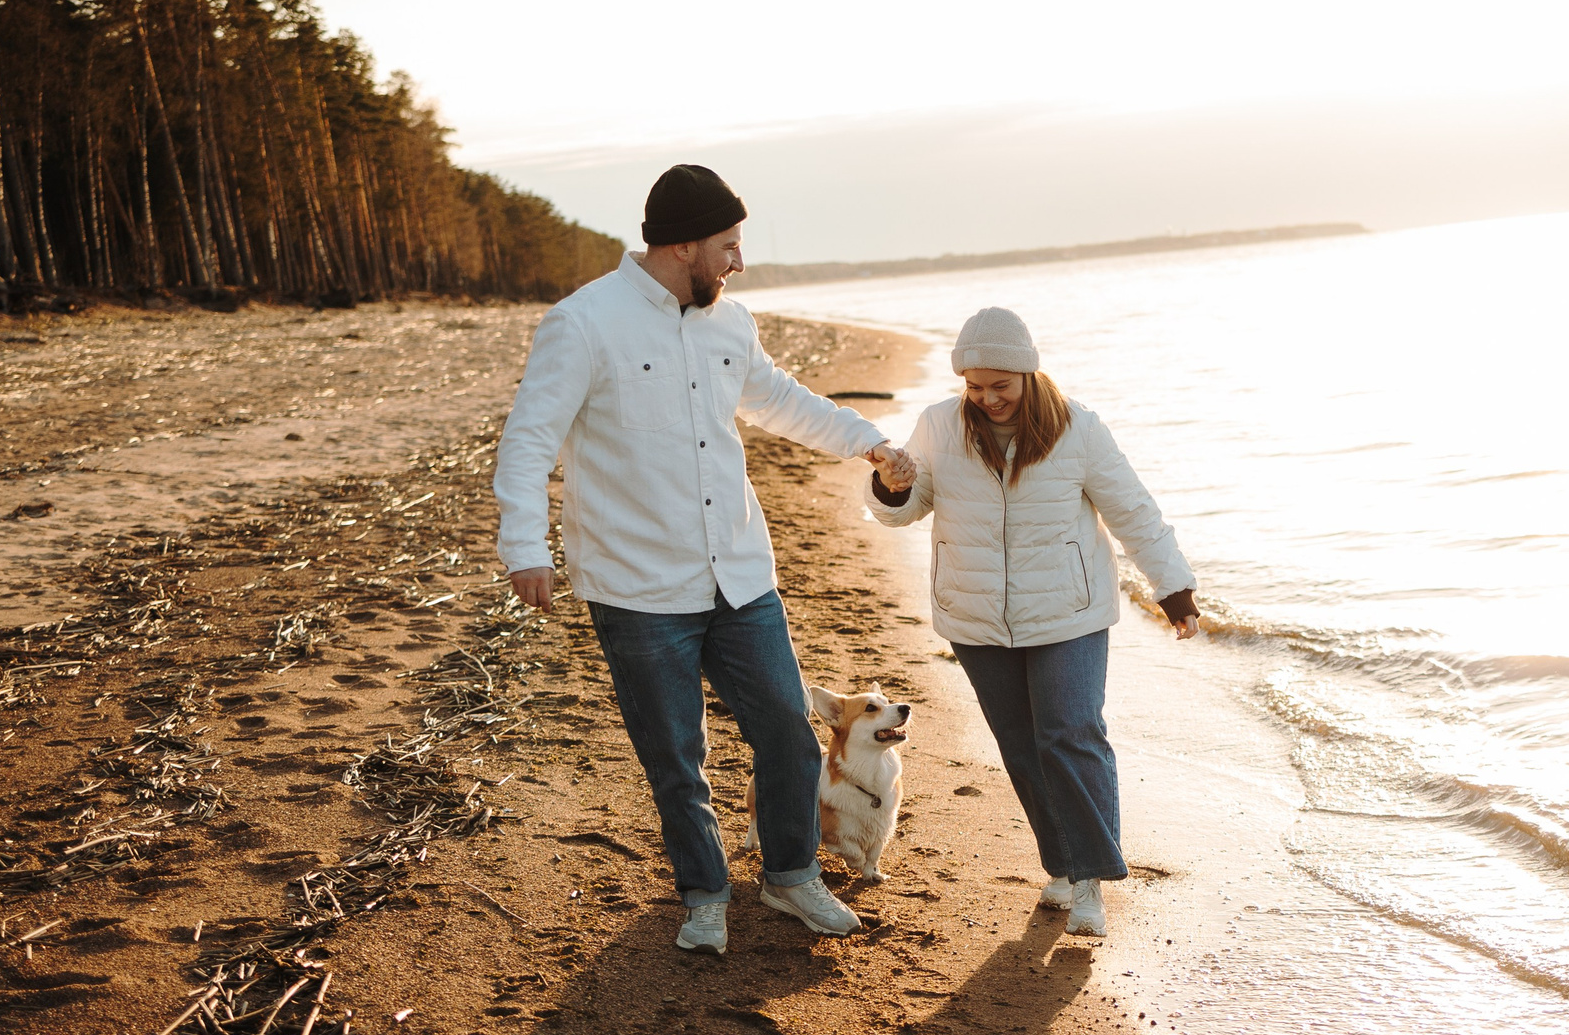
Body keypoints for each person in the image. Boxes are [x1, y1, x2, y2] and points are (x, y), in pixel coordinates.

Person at [493, 164, 917, 956]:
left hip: (742, 577)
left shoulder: (730, 322)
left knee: (790, 736)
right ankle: (704, 893)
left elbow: (783, 400)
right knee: (676, 757)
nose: (739, 262)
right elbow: (527, 444)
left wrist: (873, 442)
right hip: (638, 588)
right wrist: (526, 545)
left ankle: (791, 877)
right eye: (728, 244)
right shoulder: (582, 324)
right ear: (682, 243)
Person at [867, 307, 1199, 938]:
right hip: (976, 616)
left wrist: (1174, 589)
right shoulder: (940, 423)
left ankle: (1092, 882)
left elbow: (1132, 508)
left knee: (1070, 734)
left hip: (1068, 612)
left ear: (1028, 373)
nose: (987, 398)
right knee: (1021, 747)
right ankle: (1064, 867)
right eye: (975, 386)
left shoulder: (1077, 427)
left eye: (1001, 385)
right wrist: (890, 486)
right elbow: (905, 508)